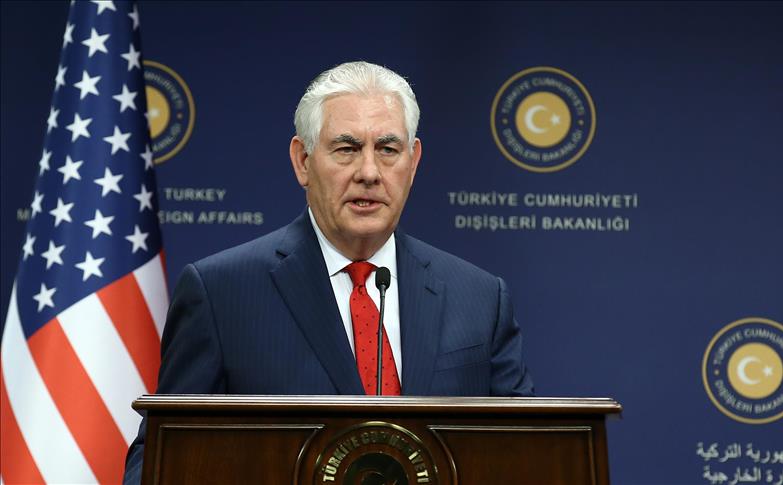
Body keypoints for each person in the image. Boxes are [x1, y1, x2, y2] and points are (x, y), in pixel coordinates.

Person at [122, 61, 533, 484]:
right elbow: (160, 456)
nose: (369, 173)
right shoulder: (220, 293)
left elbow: (528, 453)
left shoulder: (480, 298)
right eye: (347, 149)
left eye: (388, 150)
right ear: (303, 161)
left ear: (413, 162)